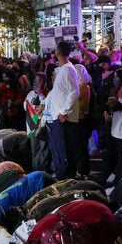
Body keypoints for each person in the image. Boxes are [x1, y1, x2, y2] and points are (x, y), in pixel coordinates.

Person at [42, 41, 80, 179]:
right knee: (59, 152)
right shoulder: (64, 70)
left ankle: (66, 180)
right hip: (57, 118)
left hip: (64, 120)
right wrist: (44, 104)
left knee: (64, 152)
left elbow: (74, 92)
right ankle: (62, 178)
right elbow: (58, 93)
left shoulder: (68, 69)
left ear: (58, 53)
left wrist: (64, 111)